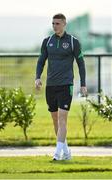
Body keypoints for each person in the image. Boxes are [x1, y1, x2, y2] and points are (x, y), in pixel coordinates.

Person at [35, 13, 87, 160]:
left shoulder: (72, 42)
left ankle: (57, 154)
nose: (54, 26)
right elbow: (41, 61)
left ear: (64, 24)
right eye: (53, 23)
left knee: (62, 118)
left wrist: (83, 84)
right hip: (50, 85)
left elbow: (81, 64)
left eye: (57, 23)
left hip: (66, 85)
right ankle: (66, 152)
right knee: (55, 119)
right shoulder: (47, 41)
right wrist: (37, 77)